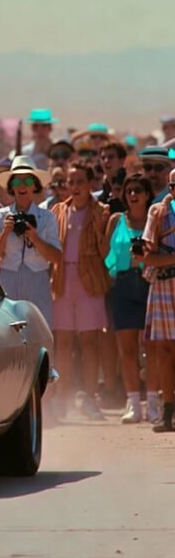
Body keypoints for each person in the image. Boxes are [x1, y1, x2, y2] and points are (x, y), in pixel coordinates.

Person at [50, 161, 112, 420]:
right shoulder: (58, 211)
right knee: (63, 341)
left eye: (79, 182)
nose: (74, 187)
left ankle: (89, 396)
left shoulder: (101, 211)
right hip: (63, 277)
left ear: (89, 184)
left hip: (90, 278)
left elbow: (105, 249)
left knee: (89, 341)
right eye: (70, 182)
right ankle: (63, 396)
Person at [104, 173, 159, 424]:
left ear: (147, 194)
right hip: (123, 285)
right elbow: (106, 254)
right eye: (129, 191)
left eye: (138, 190)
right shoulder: (117, 220)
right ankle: (134, 402)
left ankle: (154, 403)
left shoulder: (156, 219)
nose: (133, 195)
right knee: (126, 350)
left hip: (150, 283)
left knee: (152, 349)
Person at [0, 157, 61, 326]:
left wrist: (34, 237)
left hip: (38, 278)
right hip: (8, 277)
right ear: (11, 186)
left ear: (35, 185)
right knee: (6, 329)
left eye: (27, 180)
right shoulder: (0, 216)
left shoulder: (47, 217)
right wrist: (5, 232)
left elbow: (57, 258)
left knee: (40, 329)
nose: (22, 185)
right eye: (17, 181)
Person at [142, 167, 175, 432]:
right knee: (164, 352)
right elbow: (145, 255)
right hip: (164, 283)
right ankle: (167, 411)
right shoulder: (158, 213)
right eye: (173, 187)